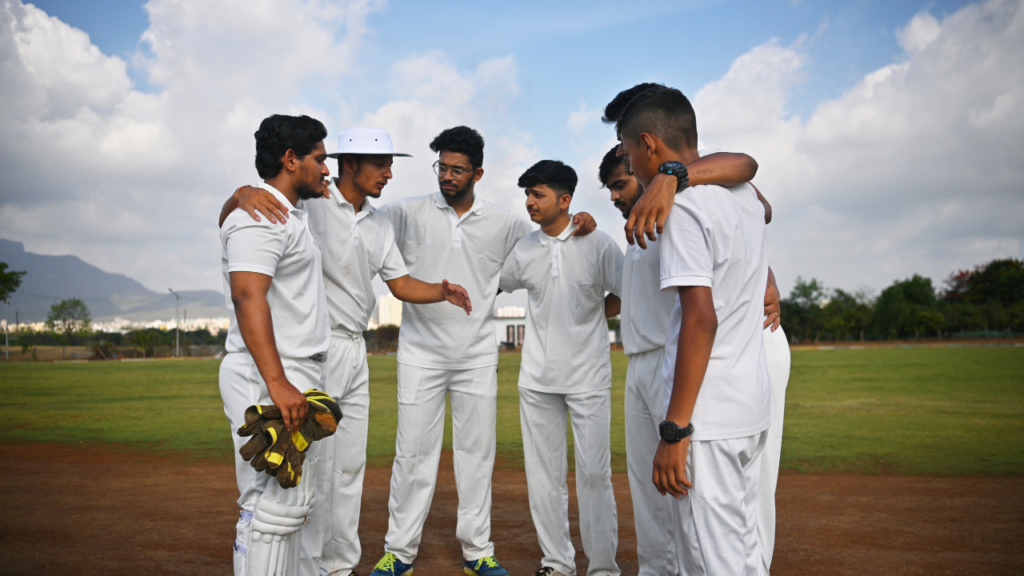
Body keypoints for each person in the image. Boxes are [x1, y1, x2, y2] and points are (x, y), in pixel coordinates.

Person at [220, 126, 474, 576]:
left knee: (348, 469)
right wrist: (240, 193)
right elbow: (248, 220)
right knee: (308, 475)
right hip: (313, 349)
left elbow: (398, 283)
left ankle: (338, 567)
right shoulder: (311, 204)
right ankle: (308, 566)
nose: (390, 173)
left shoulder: (378, 222)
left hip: (353, 349)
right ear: (350, 164)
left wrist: (441, 290)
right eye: (382, 164)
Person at [369, 126, 598, 576]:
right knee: (412, 453)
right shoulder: (405, 212)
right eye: (442, 167)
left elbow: (549, 237)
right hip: (419, 354)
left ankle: (477, 551)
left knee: (477, 455)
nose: (447, 176)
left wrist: (580, 222)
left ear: (478, 172)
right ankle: (399, 551)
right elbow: (357, 219)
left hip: (476, 355)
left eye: (457, 169)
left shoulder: (507, 223)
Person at [603, 83, 792, 573]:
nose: (627, 162)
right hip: (745, 403)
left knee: (709, 558)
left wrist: (675, 427)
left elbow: (699, 319)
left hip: (708, 411)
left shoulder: (682, 204)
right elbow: (746, 169)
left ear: (646, 142)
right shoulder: (743, 193)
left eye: (626, 150)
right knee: (743, 548)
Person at [498, 160, 624, 576]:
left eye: (539, 195)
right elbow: (497, 284)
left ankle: (603, 567)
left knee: (593, 475)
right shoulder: (524, 248)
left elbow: (626, 291)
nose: (530, 203)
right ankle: (557, 563)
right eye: (528, 195)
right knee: (544, 477)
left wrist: (590, 316)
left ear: (565, 200)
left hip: (588, 377)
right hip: (536, 379)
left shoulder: (599, 243)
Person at [219, 114, 331, 576]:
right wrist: (277, 381)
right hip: (267, 374)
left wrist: (236, 195)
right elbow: (248, 295)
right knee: (271, 507)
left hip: (290, 370)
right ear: (291, 159)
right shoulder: (257, 217)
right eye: (320, 160)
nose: (327, 170)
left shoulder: (279, 212)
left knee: (285, 503)